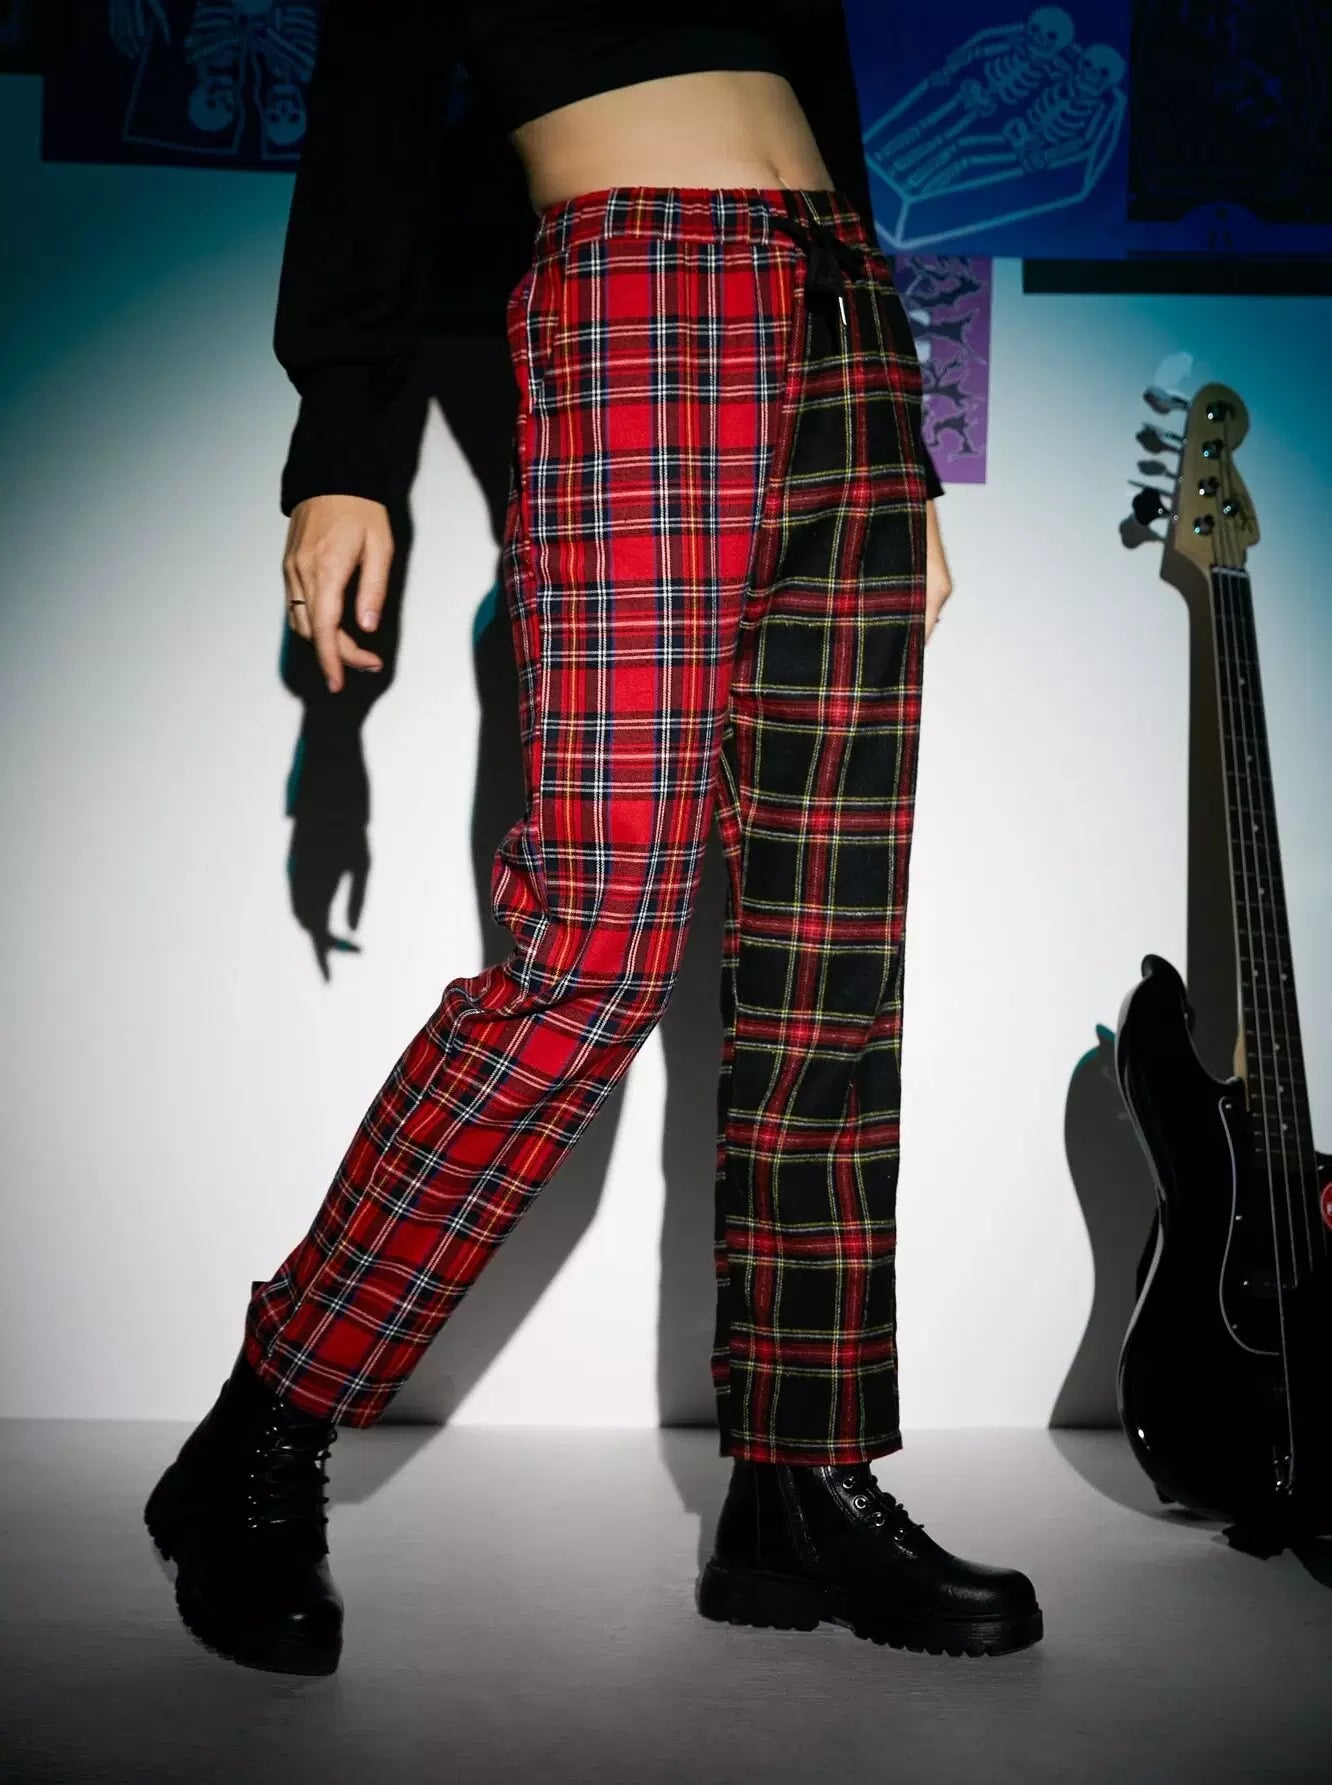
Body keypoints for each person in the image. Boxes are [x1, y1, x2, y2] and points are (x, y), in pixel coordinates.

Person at [146, 0, 1041, 1676]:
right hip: (642, 298)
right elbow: (375, 104)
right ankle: (259, 1433)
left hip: (846, 316)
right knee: (594, 958)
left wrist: (907, 445)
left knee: (830, 967)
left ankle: (799, 1483)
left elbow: (823, 95)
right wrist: (344, 445)